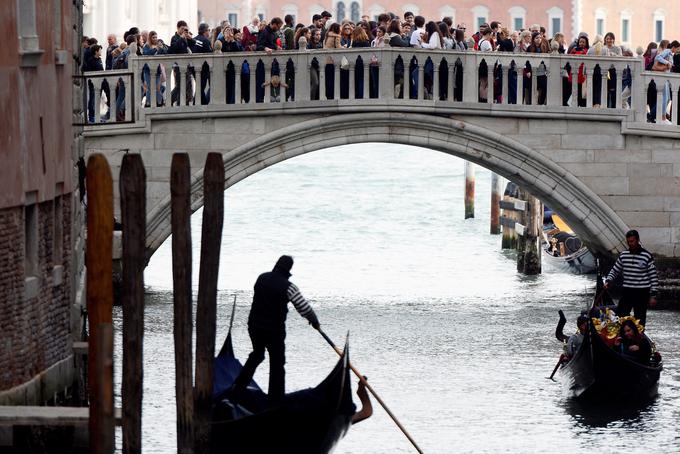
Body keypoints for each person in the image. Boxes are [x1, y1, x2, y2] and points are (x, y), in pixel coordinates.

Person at [231, 256, 320, 404]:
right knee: (277, 363)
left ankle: (237, 389)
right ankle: (275, 401)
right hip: (274, 331)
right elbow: (303, 308)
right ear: (289, 269)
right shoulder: (289, 287)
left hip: (254, 327)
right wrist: (314, 321)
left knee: (257, 355)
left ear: (276, 265)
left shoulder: (261, 278)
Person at [604, 230, 658, 327]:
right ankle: (623, 335)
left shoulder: (646, 256)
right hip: (627, 290)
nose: (630, 244)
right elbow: (615, 270)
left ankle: (638, 337)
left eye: (632, 241)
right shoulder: (624, 255)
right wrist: (608, 280)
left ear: (637, 240)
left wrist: (653, 295)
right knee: (621, 315)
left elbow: (653, 276)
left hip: (642, 292)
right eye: (628, 242)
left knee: (640, 318)